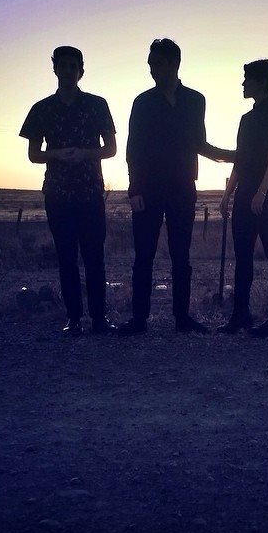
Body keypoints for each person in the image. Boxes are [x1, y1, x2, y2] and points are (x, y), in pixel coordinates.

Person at [119, 38, 233, 336]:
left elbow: (200, 143)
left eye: (157, 64)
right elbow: (134, 149)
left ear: (174, 63)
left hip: (183, 187)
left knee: (181, 256)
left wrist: (234, 157)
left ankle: (182, 319)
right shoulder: (142, 102)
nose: (152, 70)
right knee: (143, 255)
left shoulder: (195, 100)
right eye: (150, 65)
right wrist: (134, 189)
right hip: (149, 189)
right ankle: (139, 320)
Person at [19, 46, 117, 337]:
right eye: (63, 65)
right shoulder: (41, 109)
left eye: (73, 66)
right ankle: (74, 319)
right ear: (55, 69)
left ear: (81, 71)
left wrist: (85, 154)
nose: (68, 70)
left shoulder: (97, 105)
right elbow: (34, 154)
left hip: (89, 193)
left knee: (94, 258)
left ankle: (100, 319)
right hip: (58, 195)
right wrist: (59, 155)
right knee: (66, 258)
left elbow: (111, 149)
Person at [218, 59, 268, 338]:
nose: (242, 83)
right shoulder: (246, 120)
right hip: (245, 193)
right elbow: (240, 159)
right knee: (243, 258)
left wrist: (262, 191)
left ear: (262, 81)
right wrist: (228, 194)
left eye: (247, 78)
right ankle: (241, 315)